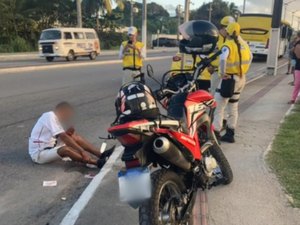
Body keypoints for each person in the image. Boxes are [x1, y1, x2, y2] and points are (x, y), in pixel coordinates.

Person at [28, 102, 113, 167]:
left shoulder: (55, 119)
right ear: (61, 111)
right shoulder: (49, 116)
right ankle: (96, 162)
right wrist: (82, 151)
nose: (67, 117)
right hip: (39, 154)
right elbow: (63, 137)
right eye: (67, 114)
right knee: (66, 149)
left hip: (51, 146)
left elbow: (59, 136)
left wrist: (69, 134)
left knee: (75, 137)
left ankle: (101, 154)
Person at [213, 22, 252, 143]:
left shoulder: (228, 45)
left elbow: (223, 58)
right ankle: (230, 133)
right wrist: (243, 71)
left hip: (228, 79)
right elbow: (250, 57)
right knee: (233, 106)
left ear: (228, 32)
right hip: (241, 78)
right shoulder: (244, 44)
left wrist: (222, 73)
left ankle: (215, 134)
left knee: (219, 107)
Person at [288, 31, 300, 104]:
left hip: (297, 64)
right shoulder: (297, 44)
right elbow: (297, 55)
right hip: (297, 64)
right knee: (297, 83)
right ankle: (293, 99)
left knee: (297, 83)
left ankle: (294, 99)